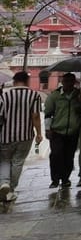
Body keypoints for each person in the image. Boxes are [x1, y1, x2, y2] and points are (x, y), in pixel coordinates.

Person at [0, 71, 43, 202]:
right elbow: (35, 116)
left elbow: (0, 117)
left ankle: (4, 183)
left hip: (5, 135)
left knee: (5, 160)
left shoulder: (4, 96)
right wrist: (39, 133)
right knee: (18, 162)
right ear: (27, 81)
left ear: (14, 81)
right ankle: (11, 190)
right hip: (25, 136)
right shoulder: (34, 95)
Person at [44, 73, 81, 188]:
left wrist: (80, 101)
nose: (68, 84)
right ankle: (55, 179)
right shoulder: (55, 96)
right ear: (62, 82)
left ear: (74, 82)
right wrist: (47, 129)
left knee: (69, 156)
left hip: (73, 131)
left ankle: (65, 178)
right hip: (57, 131)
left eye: (71, 81)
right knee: (56, 155)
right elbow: (48, 114)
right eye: (66, 81)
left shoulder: (78, 94)